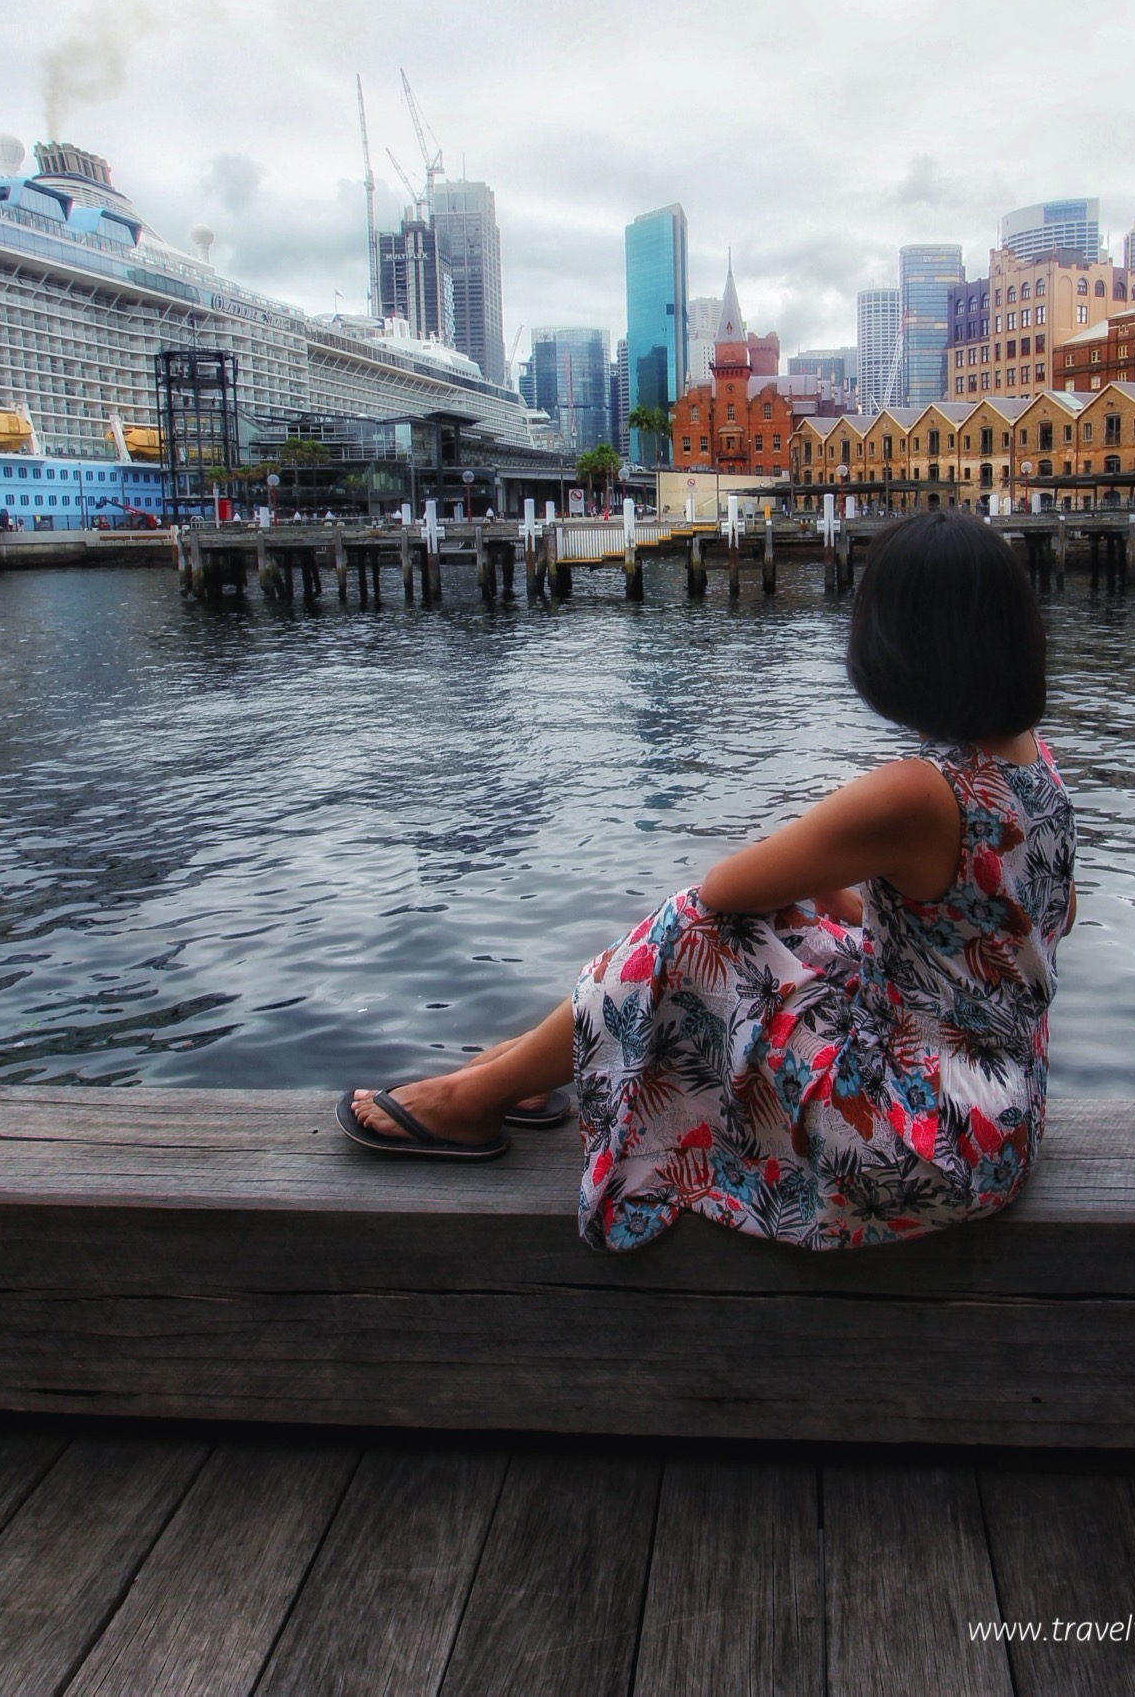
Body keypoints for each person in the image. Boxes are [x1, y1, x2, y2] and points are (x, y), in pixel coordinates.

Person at [339, 512, 1077, 1252]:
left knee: (693, 926)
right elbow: (1024, 924)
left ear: (903, 647)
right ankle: (524, 1065)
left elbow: (723, 889)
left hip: (919, 1137)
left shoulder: (918, 791)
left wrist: (806, 882)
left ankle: (478, 1095)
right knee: (790, 929)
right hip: (999, 1119)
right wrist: (844, 901)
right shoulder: (1036, 767)